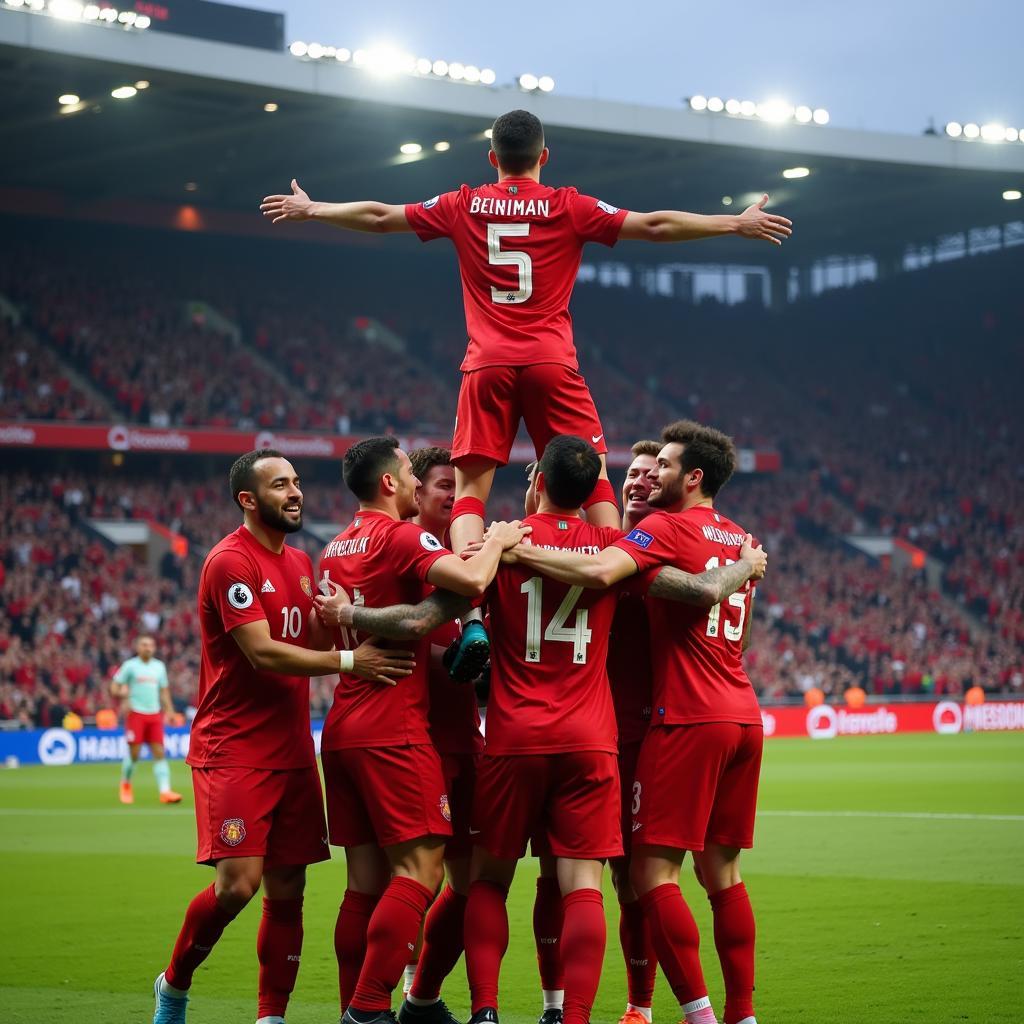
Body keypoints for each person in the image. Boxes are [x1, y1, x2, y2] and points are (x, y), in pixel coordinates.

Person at [260, 107, 792, 676]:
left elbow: (380, 215)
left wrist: (313, 209)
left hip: (486, 363)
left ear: (491, 158)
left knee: (470, 491)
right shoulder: (569, 205)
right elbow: (655, 225)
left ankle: (469, 618)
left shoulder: (463, 202)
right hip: (551, 363)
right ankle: (615, 579)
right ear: (544, 156)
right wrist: (732, 224)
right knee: (596, 480)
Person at [319, 435, 764, 1024]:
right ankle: (577, 1014)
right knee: (586, 884)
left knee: (487, 880)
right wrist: (741, 566)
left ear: (537, 484)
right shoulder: (615, 547)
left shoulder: (499, 548)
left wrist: (354, 616)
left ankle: (484, 1010)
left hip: (511, 736)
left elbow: (433, 614)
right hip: (593, 738)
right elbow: (677, 585)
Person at [503, 421, 767, 1024]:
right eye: (634, 474)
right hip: (624, 729)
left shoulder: (651, 540)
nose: (643, 480)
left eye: (657, 471)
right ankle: (644, 1008)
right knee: (588, 876)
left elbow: (635, 579)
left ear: (685, 478)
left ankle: (650, 1007)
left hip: (659, 726)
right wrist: (743, 566)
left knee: (637, 879)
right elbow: (731, 620)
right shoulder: (713, 540)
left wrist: (508, 545)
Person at [152, 449, 413, 1024]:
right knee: (237, 887)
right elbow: (263, 652)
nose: (295, 492)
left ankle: (271, 1016)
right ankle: (173, 984)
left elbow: (313, 636)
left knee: (288, 887)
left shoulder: (300, 561)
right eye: (279, 485)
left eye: (296, 482)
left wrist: (344, 616)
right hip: (234, 749)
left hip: (293, 751)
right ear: (248, 499)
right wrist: (349, 660)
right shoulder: (228, 563)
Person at [313, 437, 527, 1024]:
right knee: (422, 871)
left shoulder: (334, 547)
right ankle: (367, 1008)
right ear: (390, 483)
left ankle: (354, 1008)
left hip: (345, 722)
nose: (413, 483)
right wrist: (502, 540)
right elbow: (467, 581)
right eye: (410, 474)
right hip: (394, 726)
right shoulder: (405, 536)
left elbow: (411, 616)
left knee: (362, 885)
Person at [399, 447, 482, 1016]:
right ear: (417, 493)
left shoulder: (468, 558)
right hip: (411, 741)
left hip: (464, 739)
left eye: (459, 486)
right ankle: (379, 998)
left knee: (472, 882)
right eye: (442, 486)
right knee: (407, 881)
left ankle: (420, 996)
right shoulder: (397, 553)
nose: (454, 496)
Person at [110, 634, 181, 805]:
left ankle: (165, 792)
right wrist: (121, 694)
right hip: (136, 714)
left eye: (150, 644)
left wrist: (170, 711)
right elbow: (114, 687)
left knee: (159, 752)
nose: (147, 647)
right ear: (137, 647)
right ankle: (126, 783)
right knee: (134, 754)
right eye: (143, 644)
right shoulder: (130, 666)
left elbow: (164, 691)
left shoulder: (159, 667)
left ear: (154, 648)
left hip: (155, 714)